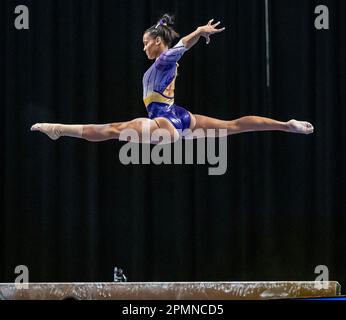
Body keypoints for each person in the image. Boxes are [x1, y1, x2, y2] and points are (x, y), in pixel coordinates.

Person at [31, 14, 313, 143]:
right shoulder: (158, 67)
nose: (144, 48)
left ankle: (58, 128)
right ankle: (286, 126)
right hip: (180, 116)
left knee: (113, 130)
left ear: (157, 40)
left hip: (164, 121)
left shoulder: (164, 59)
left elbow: (179, 50)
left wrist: (197, 31)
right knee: (234, 126)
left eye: (146, 42)